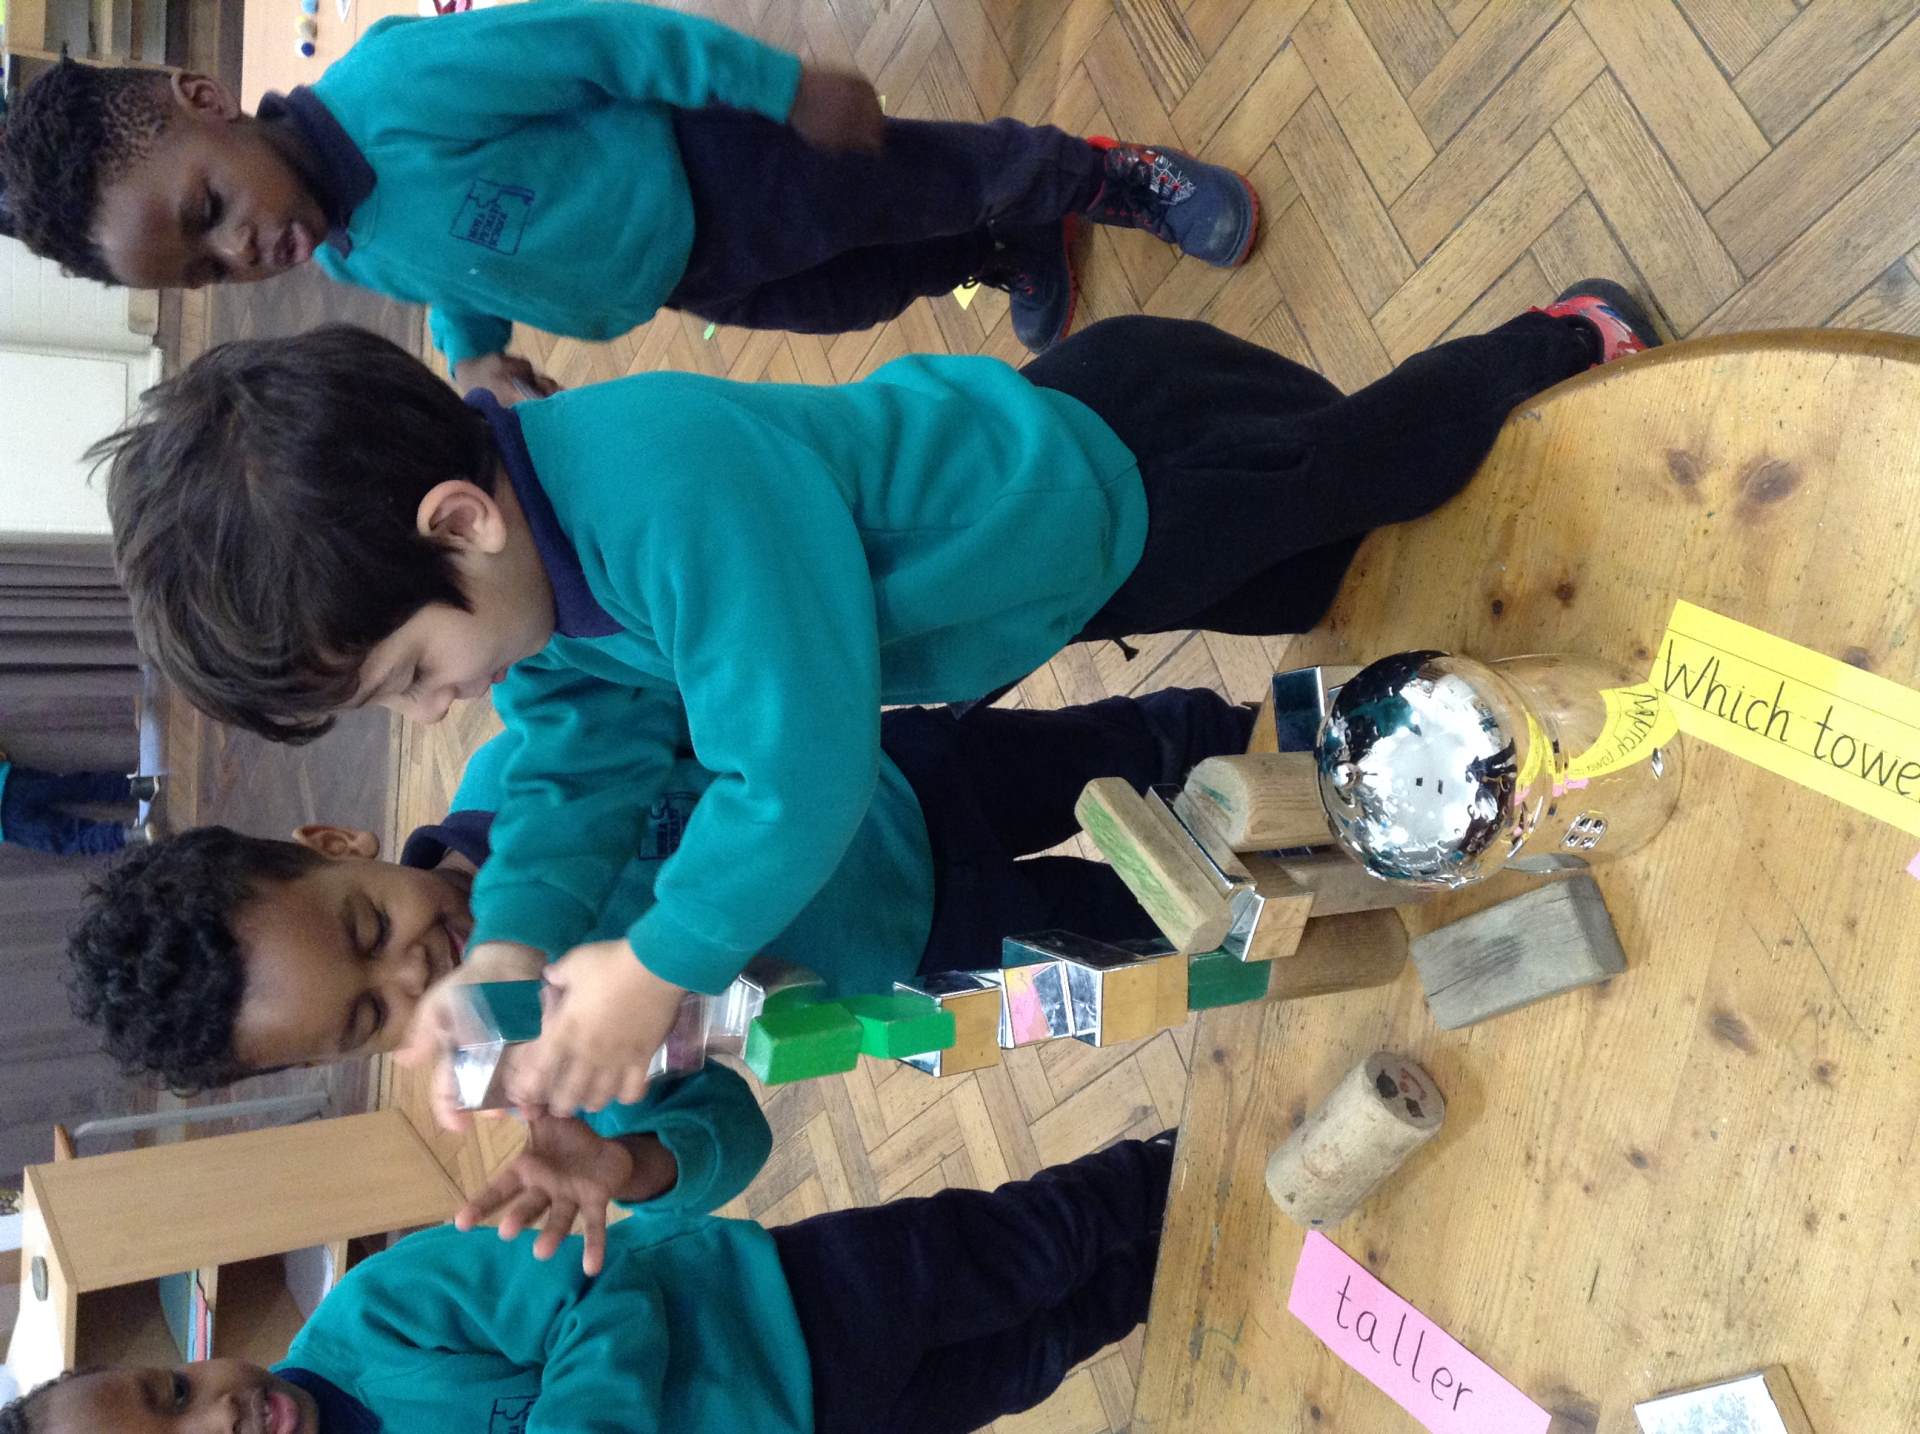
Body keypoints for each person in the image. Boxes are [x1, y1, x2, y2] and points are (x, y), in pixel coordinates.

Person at [94, 284, 1661, 1116]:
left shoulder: (657, 489)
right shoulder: (538, 603)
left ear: (459, 523)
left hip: (1095, 485)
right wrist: (512, 935)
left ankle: (1553, 345)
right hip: (1037, 582)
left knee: (1360, 469)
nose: (440, 706)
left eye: (410, 674)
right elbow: (576, 756)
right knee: (1299, 577)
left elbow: (798, 772)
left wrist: (656, 961)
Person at [67, 688, 1247, 1094]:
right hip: (931, 953)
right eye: (374, 1012)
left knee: (1146, 749)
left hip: (909, 780)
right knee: (1162, 928)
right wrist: (634, 1164)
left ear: (335, 839)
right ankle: (1303, 893)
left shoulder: (531, 770)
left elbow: (709, 701)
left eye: (370, 926)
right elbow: (716, 1133)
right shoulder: (544, 1059)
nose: (416, 968)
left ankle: (1293, 739)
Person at [0, 4, 1258, 357]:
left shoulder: (398, 88)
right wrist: (472, 359)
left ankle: (1108, 178)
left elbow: (603, 38)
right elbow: (460, 279)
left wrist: (778, 87)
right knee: (861, 293)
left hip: (726, 165)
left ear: (206, 100)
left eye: (208, 211)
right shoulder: (339, 240)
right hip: (689, 276)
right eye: (204, 272)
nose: (237, 252)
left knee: (938, 176)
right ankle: (1004, 251)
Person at [0, 1086, 1177, 1434]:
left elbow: (596, 1281)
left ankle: (1178, 1173)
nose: (217, 1415)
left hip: (796, 1306)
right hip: (822, 1425)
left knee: (1039, 1241)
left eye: (174, 1390)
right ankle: (1180, 1266)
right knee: (1038, 1353)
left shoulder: (372, 1319)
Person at [0, 746, 157, 856]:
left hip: (6, 825)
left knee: (72, 839)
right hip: (9, 783)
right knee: (77, 787)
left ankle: (131, 835)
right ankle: (142, 787)